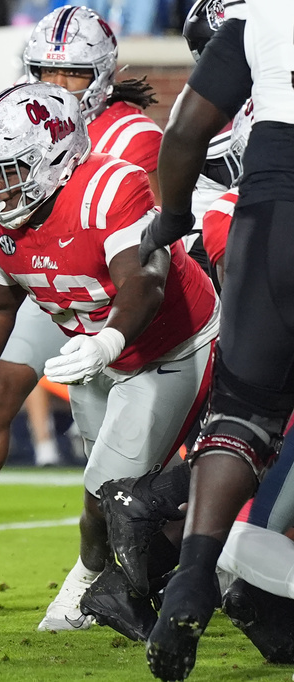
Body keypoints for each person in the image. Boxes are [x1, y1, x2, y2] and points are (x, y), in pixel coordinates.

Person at [0, 80, 218, 637]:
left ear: (57, 161)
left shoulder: (109, 188)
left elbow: (148, 280)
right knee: (105, 489)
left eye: (10, 171)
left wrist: (107, 340)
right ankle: (150, 575)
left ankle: (93, 582)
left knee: (109, 490)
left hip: (169, 345)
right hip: (91, 350)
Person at [0, 4, 162, 608]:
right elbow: (4, 183)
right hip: (46, 286)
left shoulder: (132, 137)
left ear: (101, 76)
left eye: (72, 75)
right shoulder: (19, 117)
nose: (56, 87)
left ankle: (120, 567)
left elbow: (128, 236)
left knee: (124, 450)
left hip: (112, 293)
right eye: (43, 72)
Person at [134, 0, 294, 675]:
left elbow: (187, 126)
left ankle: (194, 574)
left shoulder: (267, 17)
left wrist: (171, 217)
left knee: (242, 410)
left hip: (273, 210)